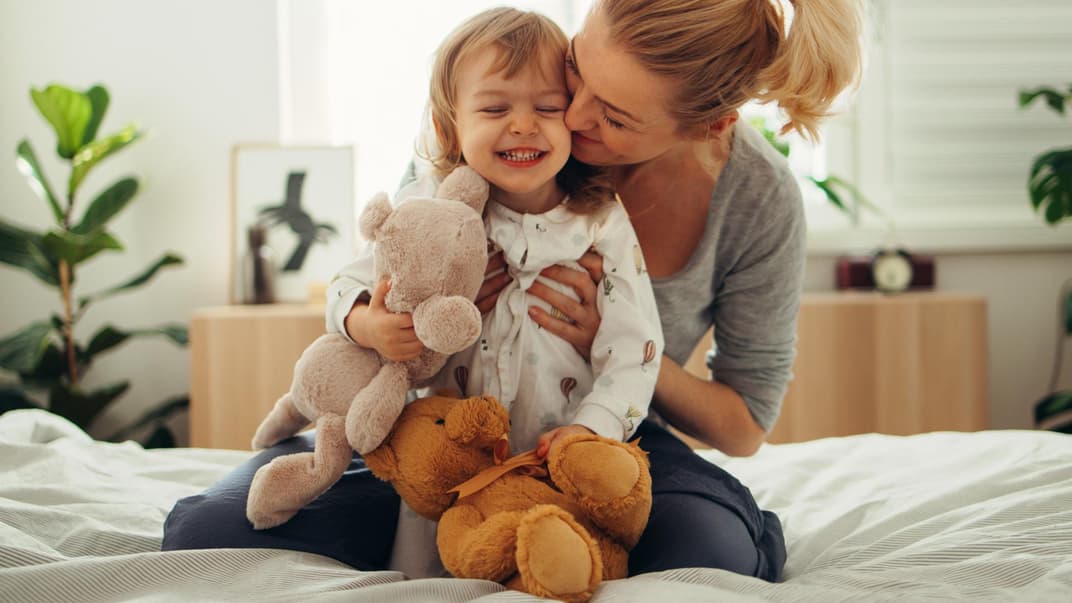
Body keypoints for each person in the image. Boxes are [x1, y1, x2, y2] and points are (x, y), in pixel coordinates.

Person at [163, 0, 865, 583]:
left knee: (712, 553)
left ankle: (559, 537)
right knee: (210, 531)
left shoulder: (756, 199)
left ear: (708, 124)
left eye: (615, 117)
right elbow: (378, 274)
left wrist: (612, 345)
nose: (571, 116)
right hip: (435, 423)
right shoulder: (489, 131)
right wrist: (389, 316)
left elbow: (744, 424)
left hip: (597, 426)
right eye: (578, 72)